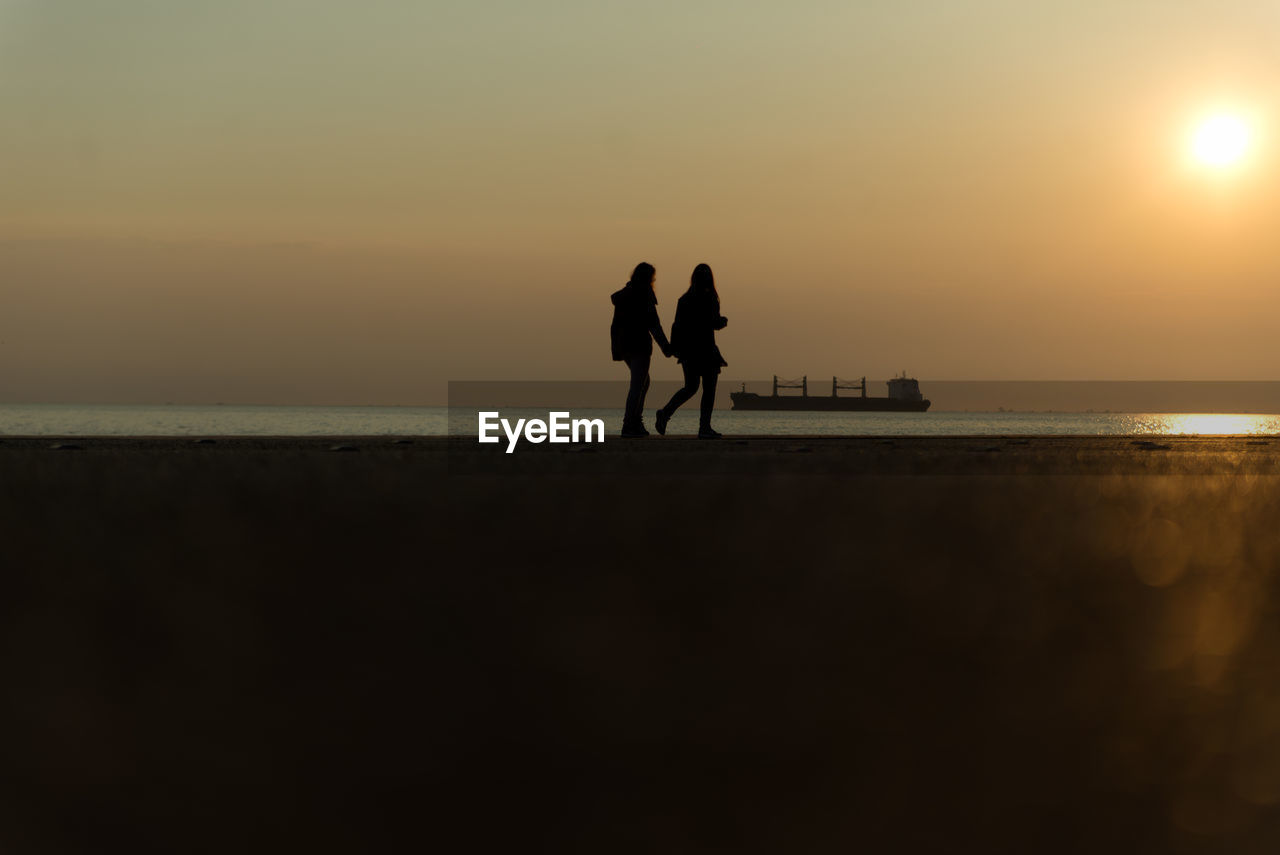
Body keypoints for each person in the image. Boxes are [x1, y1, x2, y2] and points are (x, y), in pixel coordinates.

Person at [655, 263, 728, 439]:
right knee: (708, 389)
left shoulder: (685, 300)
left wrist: (675, 348)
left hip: (689, 351)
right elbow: (712, 322)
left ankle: (666, 413)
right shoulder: (709, 298)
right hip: (705, 349)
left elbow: (676, 326)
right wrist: (722, 321)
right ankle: (704, 427)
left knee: (691, 387)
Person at [610, 262, 671, 437]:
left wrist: (616, 347)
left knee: (643, 382)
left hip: (625, 345)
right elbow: (654, 323)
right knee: (638, 384)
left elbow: (615, 325)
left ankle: (634, 421)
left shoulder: (625, 295)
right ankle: (630, 424)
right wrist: (665, 346)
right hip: (639, 345)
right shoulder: (644, 294)